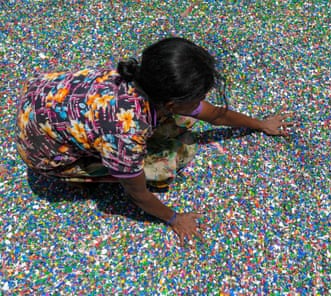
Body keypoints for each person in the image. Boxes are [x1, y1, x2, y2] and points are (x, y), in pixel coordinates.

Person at [16, 37, 293, 246]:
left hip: (42, 111)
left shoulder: (131, 75)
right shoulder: (127, 134)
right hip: (48, 157)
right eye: (197, 97)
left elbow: (215, 116)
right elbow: (137, 194)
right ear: (172, 102)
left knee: (183, 124)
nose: (202, 101)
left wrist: (260, 124)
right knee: (167, 164)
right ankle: (73, 175)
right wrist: (174, 219)